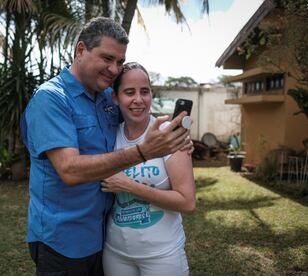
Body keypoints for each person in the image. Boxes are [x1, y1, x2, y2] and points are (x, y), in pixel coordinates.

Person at [20, 17, 193, 276]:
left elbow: (138, 115)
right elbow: (69, 170)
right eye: (107, 58)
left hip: (102, 238)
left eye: (120, 62)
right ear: (80, 50)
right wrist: (145, 152)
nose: (114, 69)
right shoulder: (51, 99)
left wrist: (173, 137)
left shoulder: (105, 99)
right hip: (61, 240)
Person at [101, 62, 195, 276]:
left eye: (144, 91)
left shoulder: (169, 135)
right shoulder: (108, 136)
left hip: (163, 255)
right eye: (129, 92)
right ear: (115, 98)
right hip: (116, 253)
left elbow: (187, 202)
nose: (138, 100)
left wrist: (129, 186)